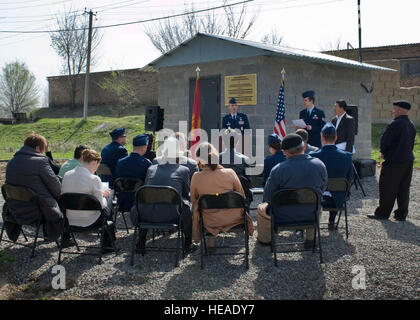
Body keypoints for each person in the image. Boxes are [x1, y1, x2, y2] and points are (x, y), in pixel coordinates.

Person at [259, 134, 327, 247]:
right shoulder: (320, 165)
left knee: (261, 208)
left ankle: (265, 240)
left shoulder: (277, 169)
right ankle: (310, 240)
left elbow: (267, 197)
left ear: (285, 152)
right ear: (304, 147)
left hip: (282, 215)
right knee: (317, 204)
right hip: (311, 214)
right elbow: (322, 188)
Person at [130, 137, 196, 254]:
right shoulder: (183, 170)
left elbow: (146, 190)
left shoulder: (151, 169)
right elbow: (186, 193)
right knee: (187, 206)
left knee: (146, 201)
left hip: (147, 215)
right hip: (172, 215)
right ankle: (188, 242)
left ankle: (141, 241)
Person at [190, 142, 254, 249]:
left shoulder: (196, 177)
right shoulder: (230, 173)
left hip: (209, 221)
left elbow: (193, 200)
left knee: (203, 207)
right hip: (233, 218)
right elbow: (242, 196)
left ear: (200, 160)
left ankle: (211, 240)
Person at [3, 133, 63, 241]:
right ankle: (64, 239)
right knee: (63, 201)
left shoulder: (11, 162)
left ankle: (50, 235)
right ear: (37, 148)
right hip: (36, 211)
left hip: (15, 209)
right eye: (43, 150)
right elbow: (57, 189)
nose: (44, 153)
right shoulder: (40, 162)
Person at [368, 100, 417, 221]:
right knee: (403, 188)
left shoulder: (395, 124)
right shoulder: (411, 124)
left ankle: (382, 213)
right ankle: (401, 214)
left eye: (395, 109)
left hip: (394, 160)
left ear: (400, 110)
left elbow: (386, 140)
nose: (393, 111)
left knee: (387, 187)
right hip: (408, 160)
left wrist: (383, 151)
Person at [61, 149, 116, 252]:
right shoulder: (94, 179)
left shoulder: (67, 175)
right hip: (90, 220)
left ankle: (109, 242)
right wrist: (104, 196)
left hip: (70, 219)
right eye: (97, 166)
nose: (96, 169)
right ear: (95, 162)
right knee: (109, 200)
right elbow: (101, 205)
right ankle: (107, 244)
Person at [310, 123, 354, 230]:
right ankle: (332, 220)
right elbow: (350, 178)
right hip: (338, 199)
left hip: (317, 198)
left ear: (322, 137)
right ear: (336, 138)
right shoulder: (347, 156)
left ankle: (311, 222)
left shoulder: (313, 156)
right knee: (337, 188)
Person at [115, 134, 152, 213]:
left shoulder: (120, 162)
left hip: (122, 200)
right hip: (139, 201)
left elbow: (117, 178)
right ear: (144, 147)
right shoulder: (147, 164)